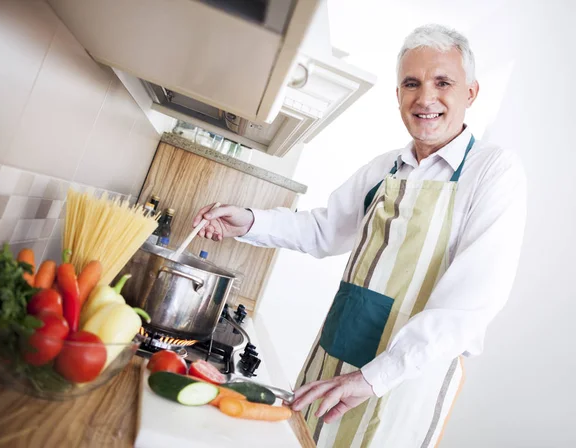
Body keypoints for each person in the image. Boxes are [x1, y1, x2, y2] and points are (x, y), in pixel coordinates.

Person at [192, 24, 526, 448]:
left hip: (402, 384)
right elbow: (323, 229)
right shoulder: (385, 168)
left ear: (471, 93)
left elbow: (468, 306)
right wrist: (251, 221)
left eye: (443, 82)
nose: (425, 98)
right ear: (399, 94)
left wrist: (373, 378)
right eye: (411, 83)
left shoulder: (493, 172)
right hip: (331, 364)